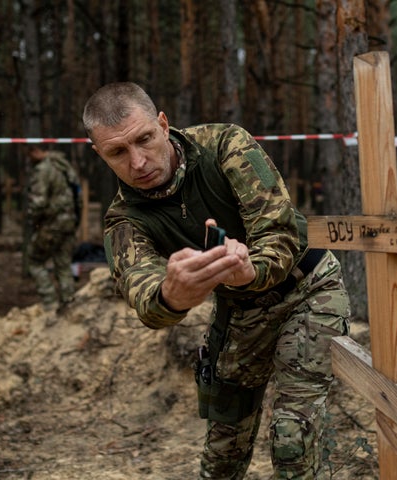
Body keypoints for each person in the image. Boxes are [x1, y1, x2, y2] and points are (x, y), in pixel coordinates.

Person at [83, 82, 351, 479]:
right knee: (223, 447)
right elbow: (143, 292)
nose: (138, 162)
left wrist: (251, 272)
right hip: (240, 311)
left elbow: (280, 233)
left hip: (306, 289)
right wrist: (169, 296)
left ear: (162, 124)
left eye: (144, 140)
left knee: (292, 436)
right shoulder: (124, 220)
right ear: (98, 154)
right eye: (117, 152)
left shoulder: (224, 144)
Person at [26, 146, 80, 313]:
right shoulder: (63, 165)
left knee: (34, 261)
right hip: (68, 224)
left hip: (51, 226)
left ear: (36, 150)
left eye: (29, 154)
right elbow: (77, 194)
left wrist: (33, 220)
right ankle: (69, 305)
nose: (29, 158)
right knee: (64, 265)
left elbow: (38, 203)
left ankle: (49, 304)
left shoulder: (43, 170)